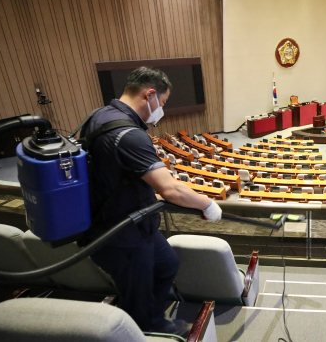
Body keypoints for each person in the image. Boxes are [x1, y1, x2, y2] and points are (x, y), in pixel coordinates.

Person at [80, 67, 222, 336]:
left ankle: (152, 314)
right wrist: (207, 204)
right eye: (163, 103)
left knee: (167, 264)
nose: (162, 110)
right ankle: (144, 326)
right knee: (137, 292)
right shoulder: (129, 135)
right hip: (121, 234)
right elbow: (170, 189)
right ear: (150, 94)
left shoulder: (98, 116)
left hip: (131, 224)